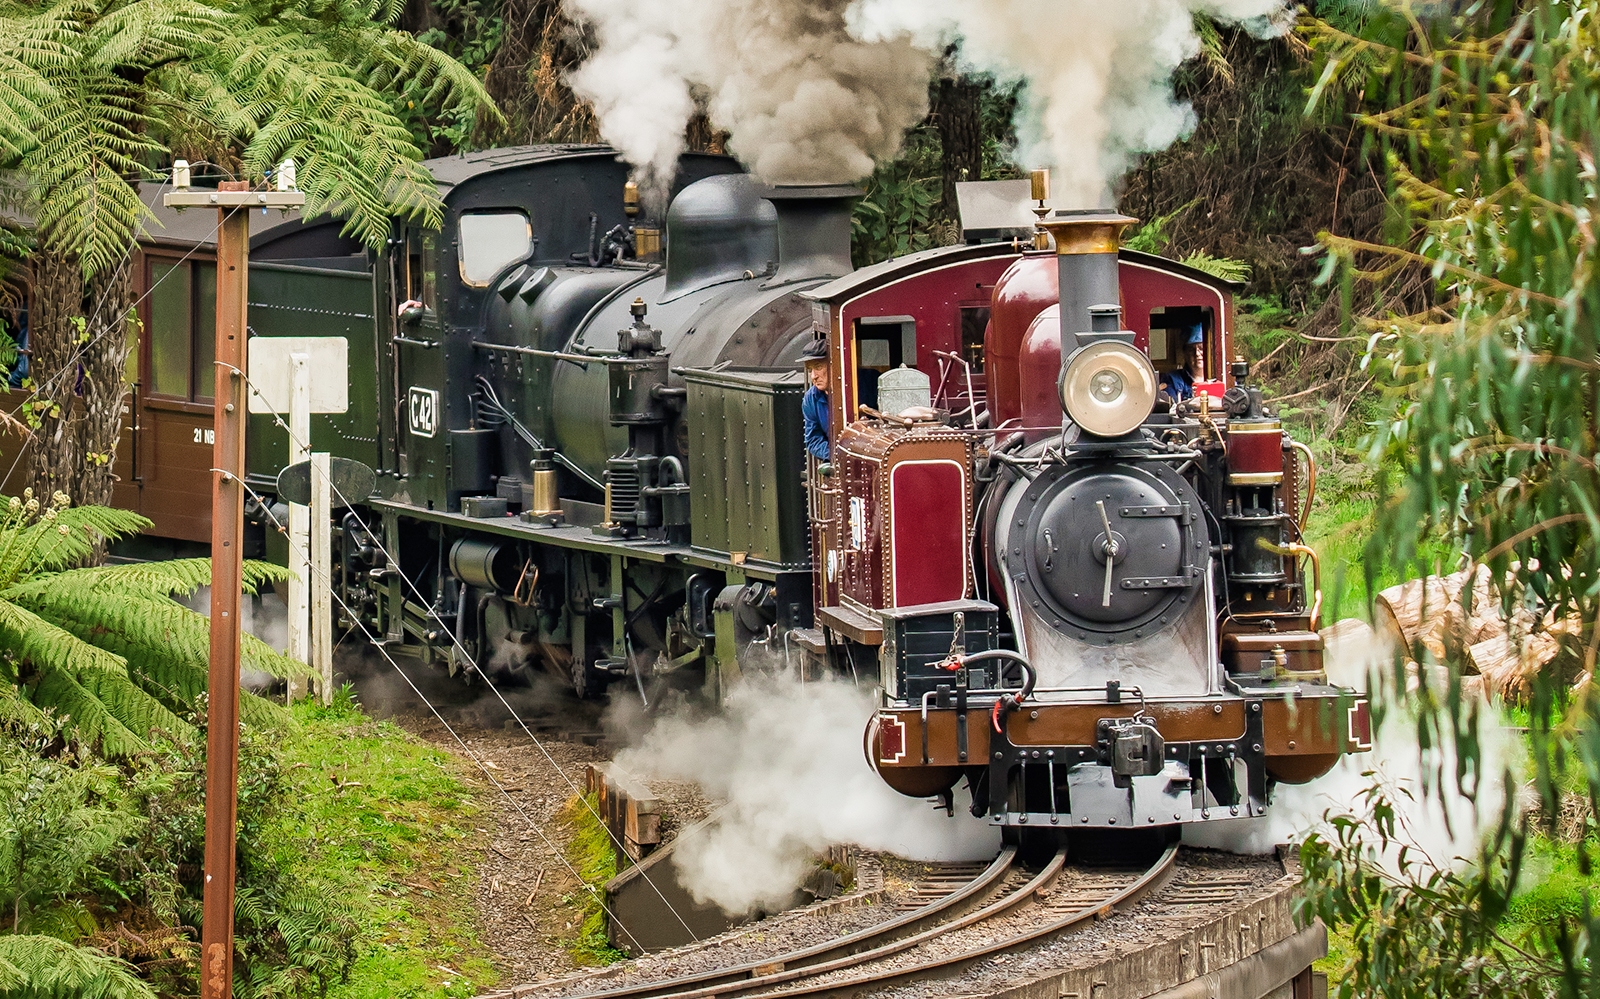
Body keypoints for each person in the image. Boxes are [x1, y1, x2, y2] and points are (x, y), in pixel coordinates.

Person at [800, 339, 830, 461]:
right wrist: (833, 456)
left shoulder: (867, 381)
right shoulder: (810, 399)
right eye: (810, 370)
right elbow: (813, 439)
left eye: (818, 367)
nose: (813, 376)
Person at [1158, 323, 1205, 403]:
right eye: (1191, 349)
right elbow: (1170, 407)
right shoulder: (1172, 379)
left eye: (1201, 348)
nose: (1197, 353)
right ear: (1184, 353)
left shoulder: (1220, 378)